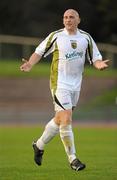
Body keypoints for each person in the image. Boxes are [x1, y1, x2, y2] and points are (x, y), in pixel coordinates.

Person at [20, 9, 109, 171]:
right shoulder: (56, 36)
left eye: (71, 17)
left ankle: (38, 145)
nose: (68, 20)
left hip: (76, 84)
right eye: (65, 17)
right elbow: (39, 52)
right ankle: (73, 159)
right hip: (59, 83)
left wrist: (99, 65)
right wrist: (30, 64)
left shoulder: (86, 38)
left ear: (78, 20)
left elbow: (95, 57)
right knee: (67, 118)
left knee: (60, 118)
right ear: (63, 20)